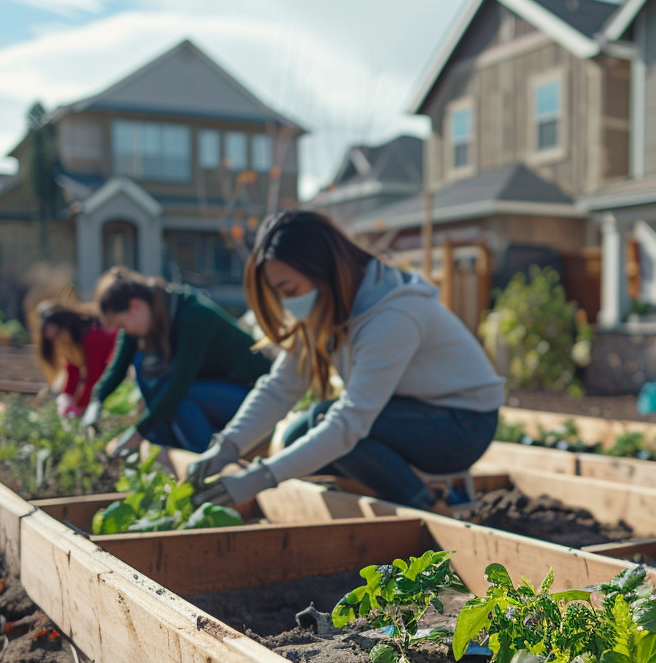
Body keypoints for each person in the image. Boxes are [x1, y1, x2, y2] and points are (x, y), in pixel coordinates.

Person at [187, 210, 504, 510]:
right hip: (412, 414)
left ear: (323, 270)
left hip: (464, 425)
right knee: (300, 434)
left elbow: (350, 421)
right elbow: (281, 386)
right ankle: (385, 488)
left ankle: (427, 504)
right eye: (279, 293)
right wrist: (227, 446)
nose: (288, 302)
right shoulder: (328, 307)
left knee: (331, 425)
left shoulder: (393, 315)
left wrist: (261, 478)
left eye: (290, 289)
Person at [83, 267, 272, 454]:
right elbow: (118, 368)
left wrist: (138, 433)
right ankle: (174, 449)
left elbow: (178, 385)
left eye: (122, 324)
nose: (125, 331)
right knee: (146, 371)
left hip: (253, 396)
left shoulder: (193, 315)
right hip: (212, 394)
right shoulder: (145, 323)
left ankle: (209, 459)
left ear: (135, 306)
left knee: (178, 397)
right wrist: (96, 402)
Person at [32, 300, 118, 417]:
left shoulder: (92, 336)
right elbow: (73, 371)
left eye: (58, 334)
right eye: (53, 339)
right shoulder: (73, 344)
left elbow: (94, 376)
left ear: (67, 325)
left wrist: (81, 406)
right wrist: (66, 397)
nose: (58, 340)